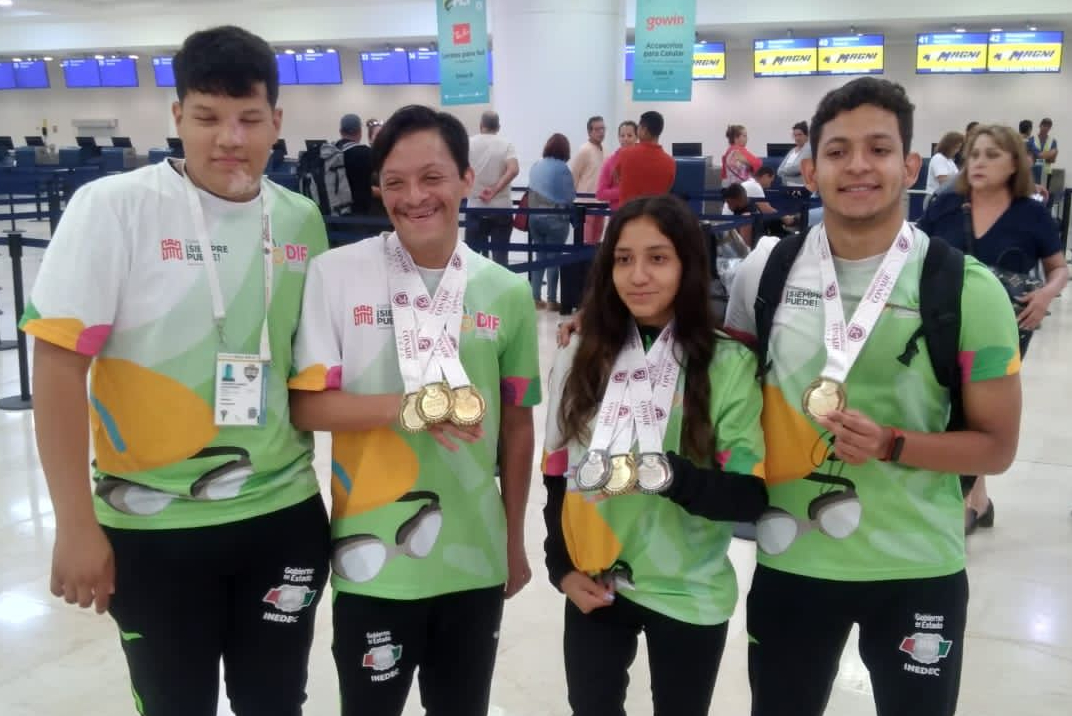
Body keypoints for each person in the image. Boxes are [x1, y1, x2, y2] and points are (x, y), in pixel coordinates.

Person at [22, 25, 330, 716]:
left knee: (277, 702)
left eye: (249, 118)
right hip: (151, 529)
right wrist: (75, 524)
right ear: (177, 116)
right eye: (207, 117)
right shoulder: (114, 208)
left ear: (277, 122)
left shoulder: (300, 221)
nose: (230, 138)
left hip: (281, 516)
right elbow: (59, 367)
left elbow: (308, 374)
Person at [725, 77, 1022, 716]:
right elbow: (725, 393)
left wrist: (893, 444)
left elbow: (997, 448)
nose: (858, 165)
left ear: (910, 167)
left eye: (879, 149)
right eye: (838, 151)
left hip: (917, 565)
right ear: (811, 170)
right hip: (792, 559)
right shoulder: (764, 272)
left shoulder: (967, 289)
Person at [287, 104, 541, 716]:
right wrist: (407, 408)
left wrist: (513, 542)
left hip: (474, 555)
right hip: (370, 556)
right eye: (395, 182)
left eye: (432, 178)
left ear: (466, 179)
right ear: (379, 189)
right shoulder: (336, 275)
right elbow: (307, 407)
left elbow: (517, 426)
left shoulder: (506, 291)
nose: (415, 197)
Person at [542, 194, 767, 716]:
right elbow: (557, 472)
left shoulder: (727, 363)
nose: (638, 276)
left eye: (658, 258)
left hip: (689, 588)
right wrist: (561, 566)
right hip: (596, 577)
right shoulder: (580, 352)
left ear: (688, 266)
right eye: (623, 259)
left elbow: (747, 497)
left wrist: (665, 475)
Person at [917, 123, 1068, 535]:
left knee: (980, 410)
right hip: (944, 320)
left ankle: (970, 500)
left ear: (1014, 163)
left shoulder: (1031, 213)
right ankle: (978, 500)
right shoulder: (947, 206)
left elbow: (1059, 268)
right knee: (949, 403)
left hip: (1006, 325)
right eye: (974, 154)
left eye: (991, 155)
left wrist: (1045, 295)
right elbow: (913, 251)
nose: (978, 163)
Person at [528, 132, 577, 310]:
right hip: (555, 219)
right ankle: (551, 300)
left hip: (534, 218)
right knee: (554, 260)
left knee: (540, 258)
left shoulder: (536, 165)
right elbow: (570, 196)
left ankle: (534, 298)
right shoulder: (563, 169)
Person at [465, 110, 520, 265]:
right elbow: (514, 169)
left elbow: (459, 170)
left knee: (473, 259)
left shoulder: (468, 143)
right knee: (500, 258)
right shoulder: (506, 145)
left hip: (475, 206)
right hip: (501, 208)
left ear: (481, 125)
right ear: (498, 127)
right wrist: (494, 190)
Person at [616, 111, 676, 205]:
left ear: (644, 129)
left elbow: (617, 178)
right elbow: (667, 189)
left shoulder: (624, 154)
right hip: (654, 212)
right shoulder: (671, 162)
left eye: (638, 127)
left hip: (628, 212)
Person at [571, 115, 607, 244]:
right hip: (585, 203)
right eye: (597, 129)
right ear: (589, 132)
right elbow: (574, 175)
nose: (601, 132)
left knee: (597, 241)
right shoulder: (584, 150)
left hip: (601, 202)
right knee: (587, 241)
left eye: (603, 128)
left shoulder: (605, 149)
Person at [596, 120, 639, 211]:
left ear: (637, 137)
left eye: (629, 135)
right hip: (618, 214)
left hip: (638, 212)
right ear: (618, 138)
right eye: (622, 136)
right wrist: (624, 191)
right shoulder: (610, 162)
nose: (625, 139)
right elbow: (600, 193)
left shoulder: (643, 160)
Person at [337, 113, 374, 215]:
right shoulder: (366, 153)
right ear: (360, 132)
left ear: (340, 131)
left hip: (334, 213)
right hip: (360, 214)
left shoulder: (332, 152)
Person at [926, 131, 963, 196]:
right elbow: (943, 180)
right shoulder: (938, 158)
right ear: (949, 146)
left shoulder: (950, 161)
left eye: (959, 148)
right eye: (956, 147)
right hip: (935, 197)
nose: (958, 151)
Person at [776, 121, 811, 186]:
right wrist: (784, 172)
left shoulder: (809, 149)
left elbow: (798, 168)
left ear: (807, 136)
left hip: (800, 186)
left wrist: (783, 172)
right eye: (795, 135)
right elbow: (779, 170)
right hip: (786, 184)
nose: (797, 138)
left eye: (800, 135)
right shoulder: (792, 150)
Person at [1029, 118, 1058, 189]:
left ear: (1050, 128)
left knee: (1044, 192)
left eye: (1048, 126)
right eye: (1044, 125)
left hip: (1046, 172)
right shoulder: (1032, 139)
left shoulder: (1053, 141)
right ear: (1040, 125)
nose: (1046, 128)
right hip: (1033, 172)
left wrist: (1039, 156)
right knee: (1033, 192)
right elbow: (1032, 157)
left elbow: (1052, 160)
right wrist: (1048, 154)